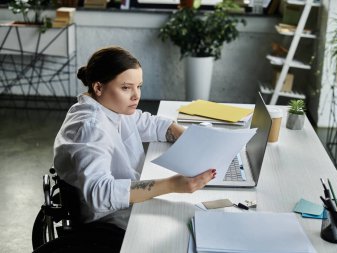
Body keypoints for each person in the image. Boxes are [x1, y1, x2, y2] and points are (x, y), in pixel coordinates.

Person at [53, 46, 216, 247]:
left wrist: (185, 136)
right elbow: (100, 194)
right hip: (110, 222)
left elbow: (150, 123)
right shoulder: (91, 127)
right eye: (126, 87)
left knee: (192, 215)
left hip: (128, 206)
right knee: (188, 228)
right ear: (98, 87)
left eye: (139, 86)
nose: (136, 96)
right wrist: (172, 185)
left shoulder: (112, 107)